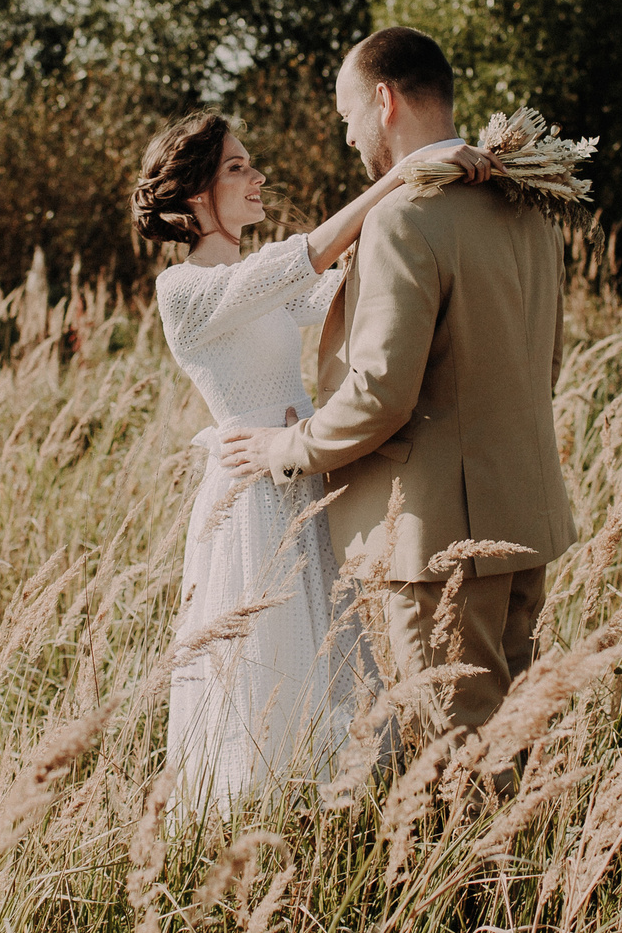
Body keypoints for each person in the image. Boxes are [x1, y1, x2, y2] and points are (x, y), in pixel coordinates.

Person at [220, 27, 575, 736]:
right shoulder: (531, 204)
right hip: (526, 518)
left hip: (439, 542)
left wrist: (282, 448)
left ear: (383, 102)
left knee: (455, 755)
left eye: (348, 115)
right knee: (511, 745)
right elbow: (545, 361)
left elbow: (381, 395)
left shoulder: (404, 218)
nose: (349, 136)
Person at [133, 110, 492, 809]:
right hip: (249, 494)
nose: (257, 176)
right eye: (237, 167)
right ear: (197, 193)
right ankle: (261, 821)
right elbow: (306, 257)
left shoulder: (259, 281)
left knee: (328, 650)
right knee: (266, 661)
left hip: (298, 475)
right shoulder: (184, 291)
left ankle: (334, 813)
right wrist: (401, 173)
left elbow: (349, 292)